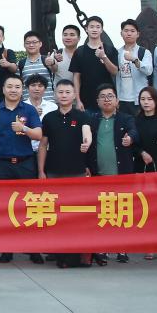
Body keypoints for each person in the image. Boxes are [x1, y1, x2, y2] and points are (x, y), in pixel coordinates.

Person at [39, 80, 94, 268]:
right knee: (54, 212)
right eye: (60, 92)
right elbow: (43, 145)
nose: (63, 95)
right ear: (55, 94)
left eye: (67, 92)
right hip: (53, 172)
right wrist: (41, 171)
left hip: (77, 173)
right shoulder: (49, 118)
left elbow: (87, 133)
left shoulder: (82, 116)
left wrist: (87, 142)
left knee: (75, 214)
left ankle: (75, 253)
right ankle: (56, 250)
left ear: (74, 95)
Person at [90, 84, 140, 263]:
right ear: (97, 101)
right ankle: (103, 247)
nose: (107, 99)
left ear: (117, 100)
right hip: (99, 174)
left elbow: (134, 132)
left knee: (121, 211)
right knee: (103, 212)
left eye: (110, 96)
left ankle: (121, 248)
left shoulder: (126, 118)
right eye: (103, 96)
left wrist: (130, 138)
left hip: (121, 173)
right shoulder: (92, 120)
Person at [133, 86, 157, 261]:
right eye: (143, 99)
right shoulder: (135, 121)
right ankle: (148, 244)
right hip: (142, 165)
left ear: (156, 101)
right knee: (145, 207)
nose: (146, 102)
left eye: (149, 99)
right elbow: (132, 143)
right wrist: (141, 152)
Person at [69, 16, 118, 111]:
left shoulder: (110, 50)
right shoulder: (79, 51)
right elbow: (76, 77)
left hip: (106, 100)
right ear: (86, 29)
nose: (94, 29)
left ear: (101, 30)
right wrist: (78, 100)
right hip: (85, 100)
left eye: (97, 27)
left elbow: (115, 72)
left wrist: (104, 57)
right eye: (91, 27)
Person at [113, 20, 153, 116]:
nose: (129, 33)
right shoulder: (117, 53)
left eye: (132, 31)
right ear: (121, 33)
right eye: (126, 31)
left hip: (139, 99)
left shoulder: (144, 52)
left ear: (138, 34)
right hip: (121, 99)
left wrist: (135, 60)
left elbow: (149, 71)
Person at [44, 25, 81, 95]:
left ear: (79, 38)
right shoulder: (57, 53)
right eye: (65, 35)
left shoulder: (82, 54)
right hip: (60, 96)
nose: (68, 37)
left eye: (72, 35)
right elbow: (54, 69)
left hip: (80, 96)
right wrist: (52, 62)